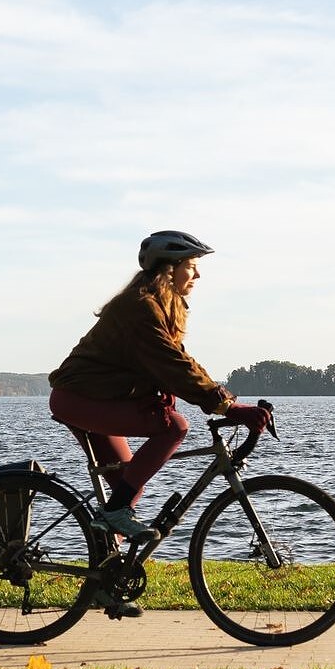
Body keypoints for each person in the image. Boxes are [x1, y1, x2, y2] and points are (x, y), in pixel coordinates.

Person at [49, 231, 270, 543]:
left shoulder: (159, 305)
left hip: (92, 397)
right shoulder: (141, 307)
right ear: (170, 268)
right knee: (174, 428)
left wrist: (225, 400)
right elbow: (172, 365)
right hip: (79, 398)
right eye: (191, 266)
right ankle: (114, 516)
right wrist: (227, 406)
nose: (197, 275)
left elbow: (181, 360)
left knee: (128, 486)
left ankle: (107, 565)